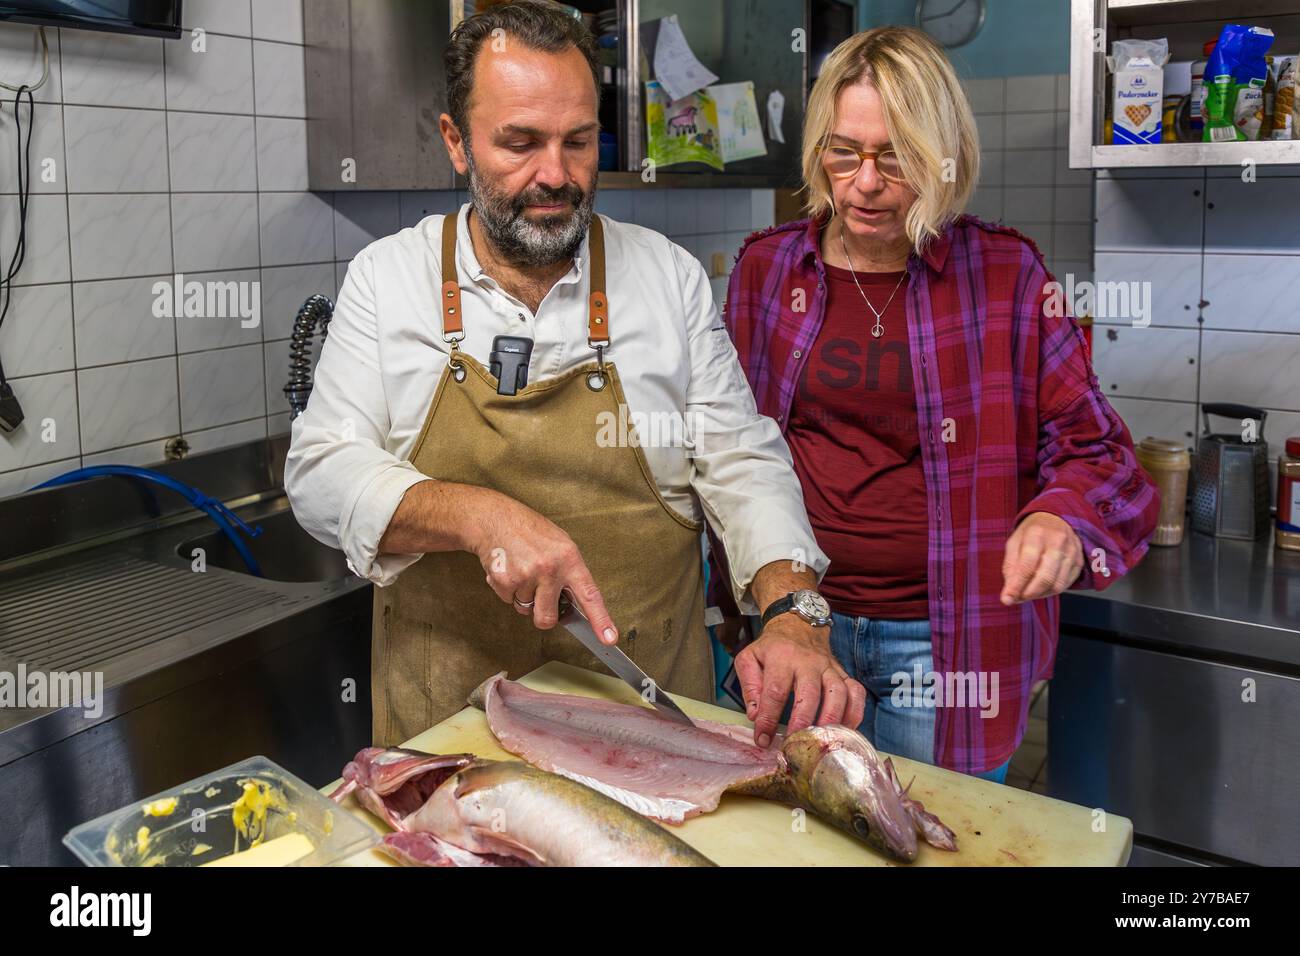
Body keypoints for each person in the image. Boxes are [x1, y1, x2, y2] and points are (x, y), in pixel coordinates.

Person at [285, 0, 866, 747]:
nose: (554, 175)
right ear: (456, 142)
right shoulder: (387, 279)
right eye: (520, 143)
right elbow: (320, 471)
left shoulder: (666, 277)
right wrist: (476, 515)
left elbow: (741, 459)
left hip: (646, 725)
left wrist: (794, 609)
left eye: (578, 142)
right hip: (450, 735)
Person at [710, 26, 1159, 781]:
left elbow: (1097, 449)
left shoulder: (1006, 276)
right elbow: (726, 447)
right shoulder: (766, 270)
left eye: (898, 156)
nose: (865, 182)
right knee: (790, 841)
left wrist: (1060, 515)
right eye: (844, 152)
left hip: (947, 642)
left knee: (932, 840)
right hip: (799, 626)